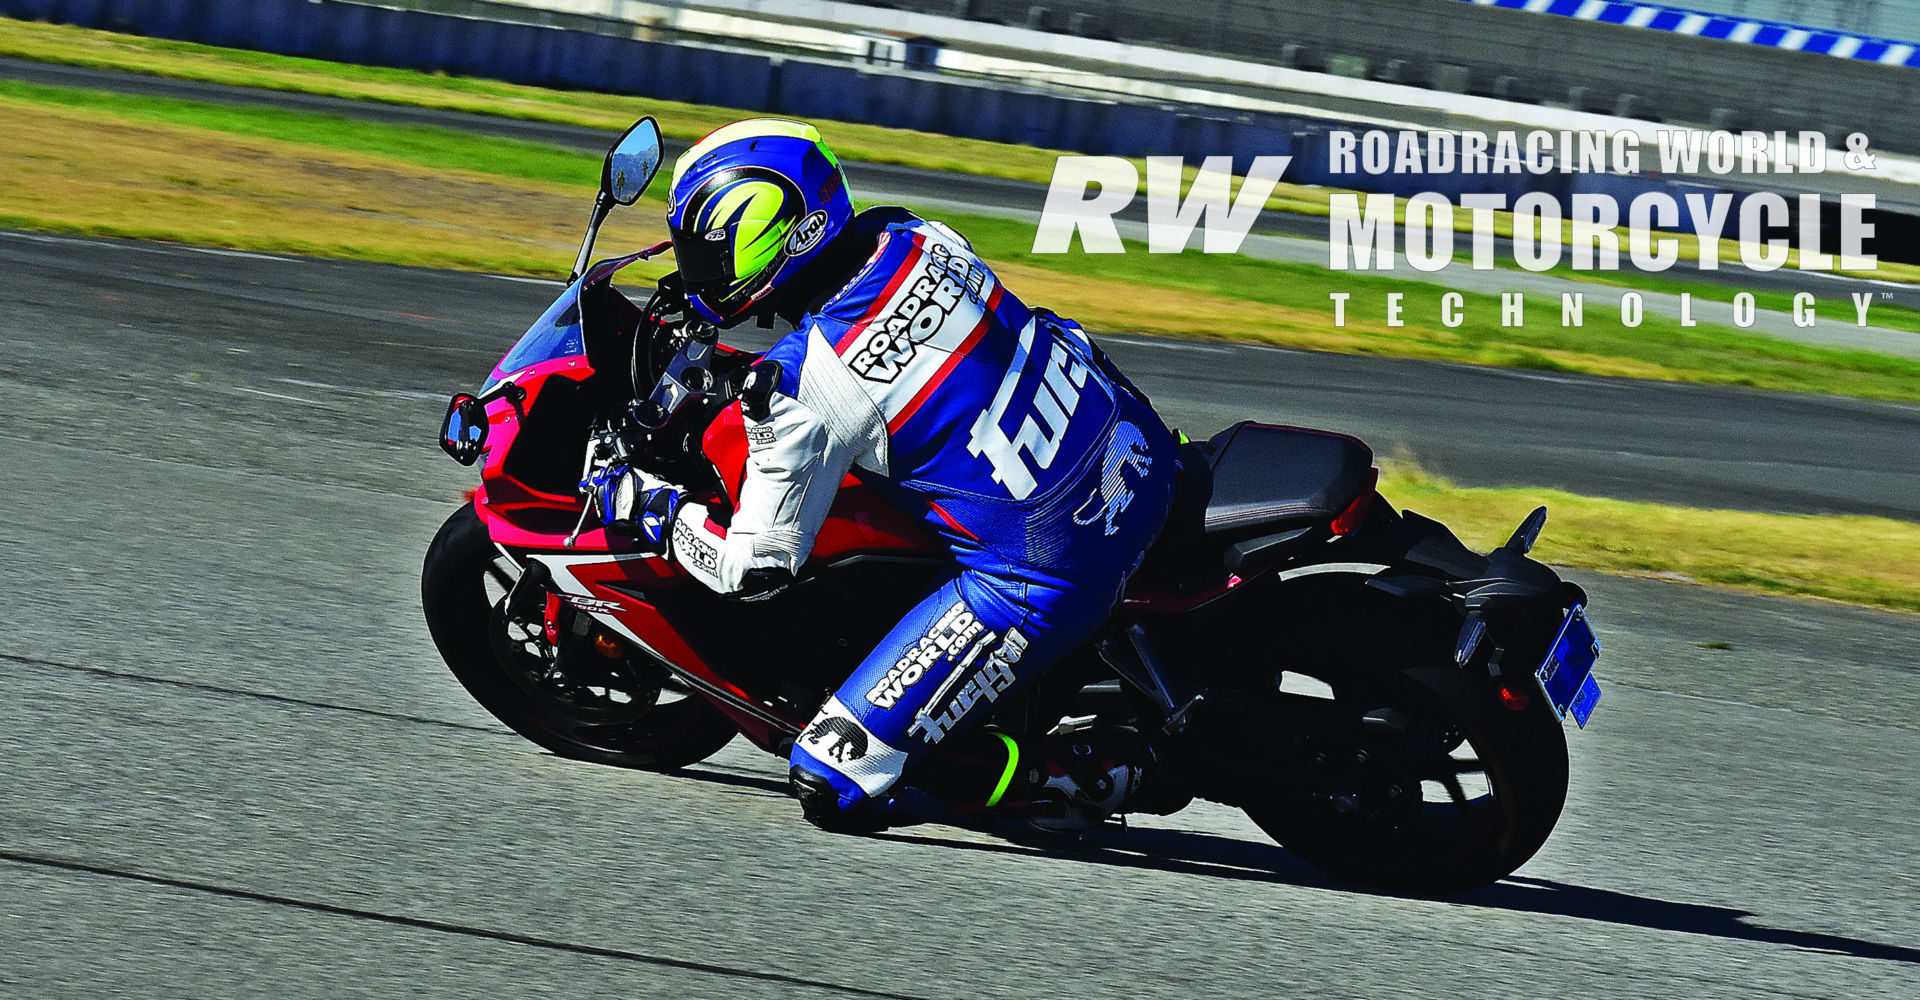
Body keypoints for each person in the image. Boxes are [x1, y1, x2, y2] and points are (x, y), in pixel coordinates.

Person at [599, 118, 1178, 832]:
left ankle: (1078, 774)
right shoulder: (915, 236)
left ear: (777, 238)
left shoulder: (798, 390)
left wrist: (648, 507)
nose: (700, 276)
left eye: (710, 259)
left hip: (1050, 568)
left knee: (830, 781)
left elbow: (757, 569)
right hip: (1138, 445)